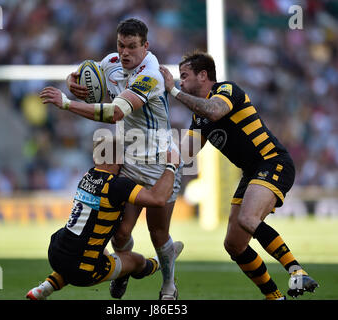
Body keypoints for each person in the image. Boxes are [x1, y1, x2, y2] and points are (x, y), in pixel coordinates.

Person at [39, 18, 183, 300]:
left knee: (157, 233)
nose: (125, 52)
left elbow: (115, 113)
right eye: (121, 45)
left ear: (146, 47)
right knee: (120, 234)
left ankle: (168, 285)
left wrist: (66, 103)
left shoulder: (150, 76)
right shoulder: (113, 61)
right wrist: (74, 78)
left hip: (159, 162)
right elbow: (87, 71)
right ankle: (123, 270)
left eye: (132, 47)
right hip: (128, 162)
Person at [159, 52, 319, 300]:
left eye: (184, 76)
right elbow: (183, 153)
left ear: (203, 75)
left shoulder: (226, 90)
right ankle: (276, 297)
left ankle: (297, 271)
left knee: (247, 218)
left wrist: (173, 92)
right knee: (234, 244)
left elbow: (215, 111)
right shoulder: (199, 118)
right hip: (251, 172)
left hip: (272, 161)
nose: (180, 82)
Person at [26, 137, 183, 300]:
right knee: (136, 262)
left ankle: (45, 287)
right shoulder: (116, 185)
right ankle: (157, 263)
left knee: (85, 250)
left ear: (96, 158)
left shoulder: (87, 175)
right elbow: (157, 199)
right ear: (119, 160)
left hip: (56, 251)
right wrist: (171, 166)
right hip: (83, 268)